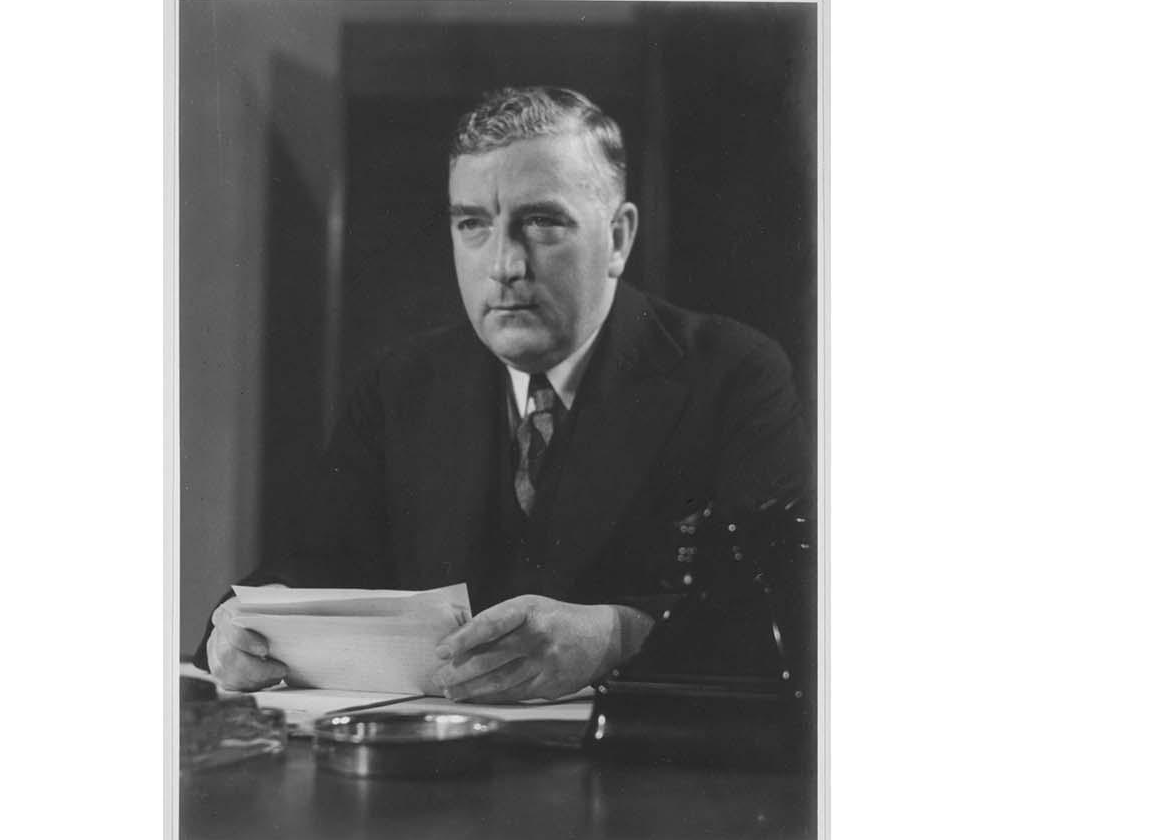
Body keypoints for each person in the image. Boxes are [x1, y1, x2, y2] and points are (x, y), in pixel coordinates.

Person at [195, 86, 812, 703]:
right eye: (473, 224)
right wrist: (239, 631)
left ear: (619, 238)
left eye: (542, 222)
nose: (504, 265)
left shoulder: (734, 375)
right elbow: (305, 570)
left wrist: (617, 637)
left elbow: (795, 618)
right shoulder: (399, 388)